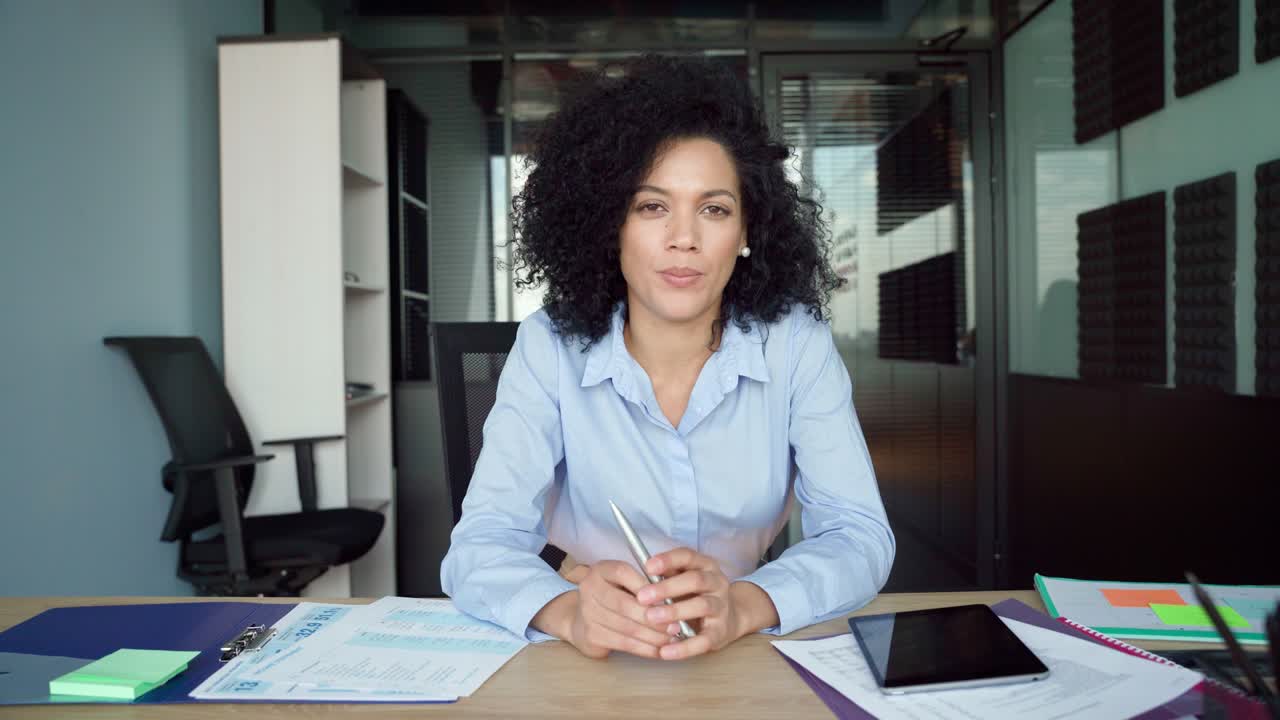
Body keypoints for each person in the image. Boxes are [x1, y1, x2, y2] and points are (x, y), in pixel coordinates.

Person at [440, 54, 895, 661]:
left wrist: (746, 604)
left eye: (714, 209)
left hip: (741, 647)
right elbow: (480, 545)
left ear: (747, 233)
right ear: (612, 225)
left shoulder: (795, 343)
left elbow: (858, 534)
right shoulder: (549, 346)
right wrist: (569, 612)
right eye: (652, 206)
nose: (684, 237)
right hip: (588, 660)